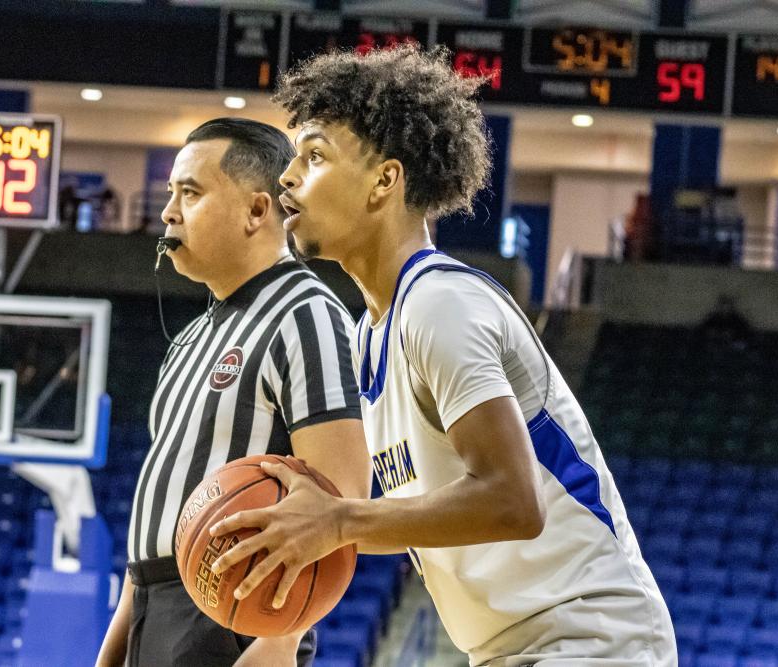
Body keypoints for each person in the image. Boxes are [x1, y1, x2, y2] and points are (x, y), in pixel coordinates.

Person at [209, 46, 676, 666]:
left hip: (594, 641)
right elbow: (400, 514)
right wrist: (295, 586)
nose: (287, 177)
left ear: (385, 180)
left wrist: (341, 522)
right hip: (518, 649)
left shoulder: (440, 304)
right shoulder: (369, 333)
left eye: (315, 156)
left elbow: (513, 502)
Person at [95, 118, 370, 667]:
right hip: (154, 604)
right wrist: (116, 646)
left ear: (257, 210)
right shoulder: (192, 336)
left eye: (190, 193)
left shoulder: (307, 313)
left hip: (236, 608)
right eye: (170, 193)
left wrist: (282, 641)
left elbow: (343, 499)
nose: (168, 212)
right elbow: (157, 520)